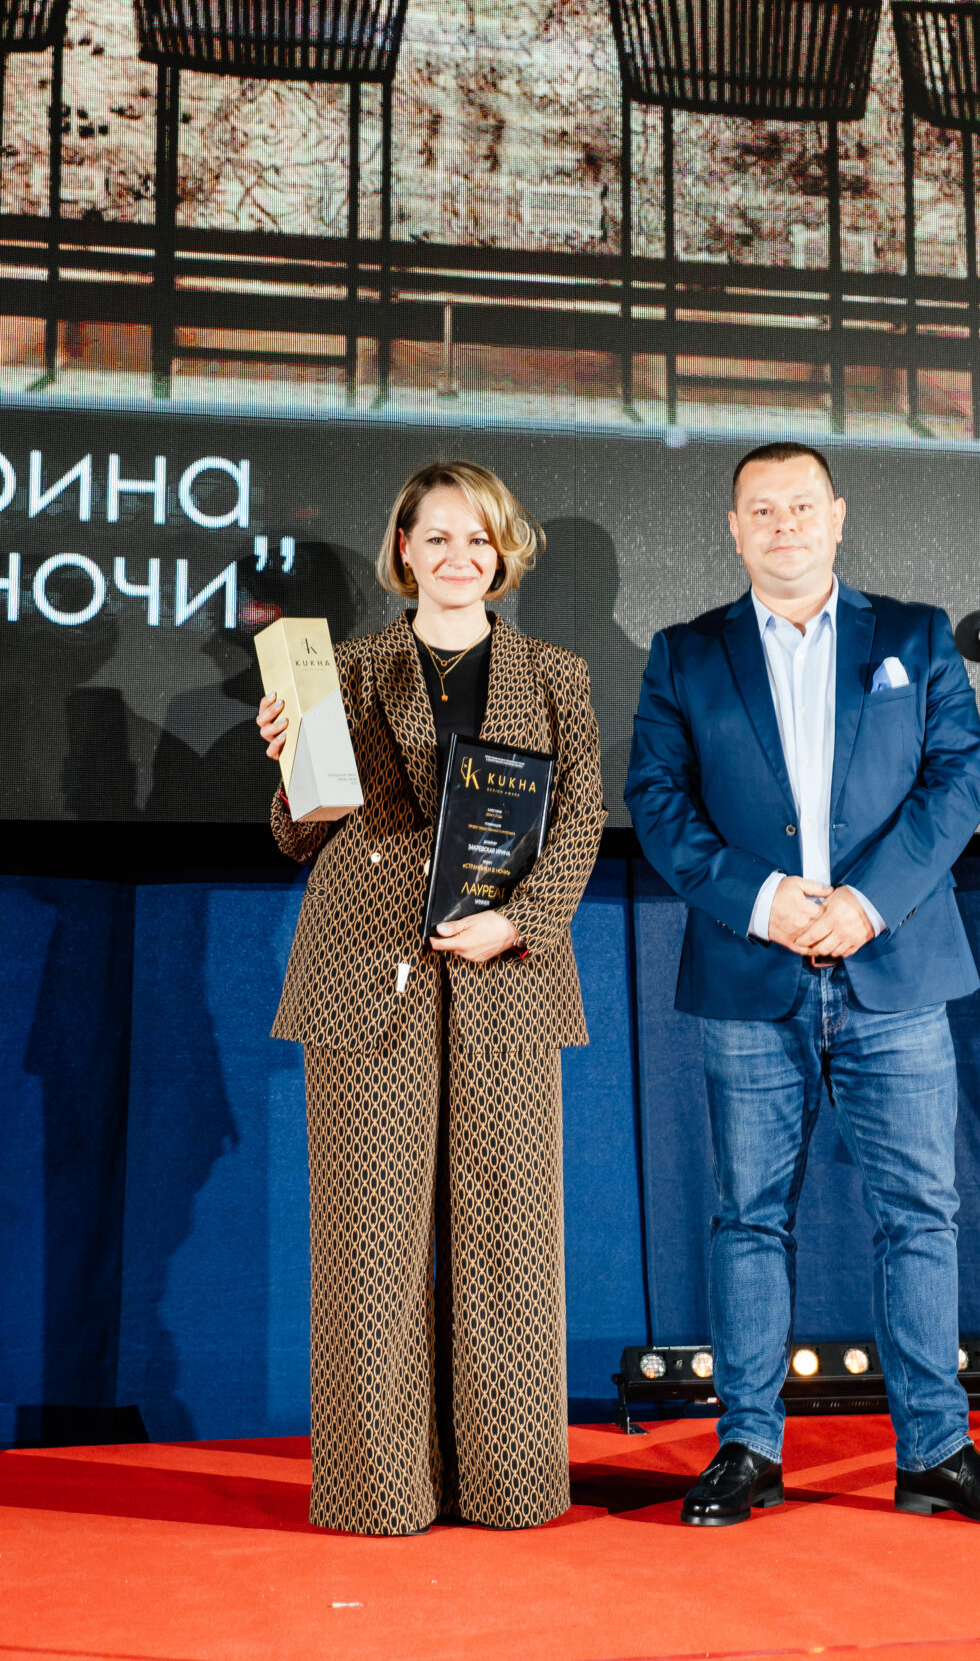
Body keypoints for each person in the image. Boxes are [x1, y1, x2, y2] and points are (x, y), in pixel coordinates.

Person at [624, 441, 980, 1530]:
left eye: (801, 506)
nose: (784, 525)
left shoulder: (914, 636)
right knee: (747, 1218)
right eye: (761, 510)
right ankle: (747, 1448)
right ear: (733, 530)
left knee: (919, 1215)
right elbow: (658, 803)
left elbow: (958, 782)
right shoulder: (685, 653)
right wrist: (765, 901)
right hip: (750, 970)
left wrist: (866, 904)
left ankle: (935, 1450)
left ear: (837, 515)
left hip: (892, 967)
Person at [257, 459, 607, 1536]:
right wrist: (292, 762)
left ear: (505, 554)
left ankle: (511, 1484)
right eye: (438, 537)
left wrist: (521, 919)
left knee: (510, 1234)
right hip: (367, 967)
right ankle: (377, 1491)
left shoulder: (555, 674)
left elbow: (580, 819)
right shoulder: (338, 669)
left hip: (506, 972)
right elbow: (297, 834)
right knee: (370, 1239)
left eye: (479, 538)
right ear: (403, 549)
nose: (460, 557)